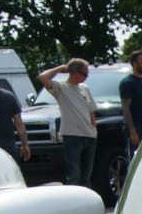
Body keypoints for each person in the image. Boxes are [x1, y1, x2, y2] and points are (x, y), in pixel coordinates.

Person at [37, 59, 97, 188]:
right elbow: (42, 77)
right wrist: (60, 68)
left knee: (86, 175)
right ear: (75, 72)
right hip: (72, 135)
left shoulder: (84, 88)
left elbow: (91, 111)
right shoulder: (61, 87)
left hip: (89, 135)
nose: (85, 77)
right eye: (83, 74)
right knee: (74, 174)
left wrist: (94, 130)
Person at [119, 51, 142, 158]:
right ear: (134, 63)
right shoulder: (128, 83)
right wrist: (132, 131)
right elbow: (126, 108)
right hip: (134, 127)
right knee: (134, 158)